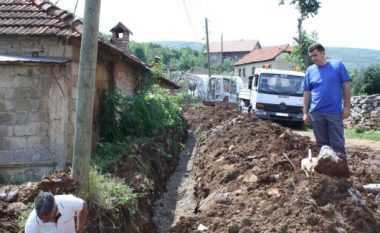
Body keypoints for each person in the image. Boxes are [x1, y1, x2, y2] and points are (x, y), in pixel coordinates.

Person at [303, 42, 352, 158]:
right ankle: (325, 172)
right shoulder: (310, 70)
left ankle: (340, 169)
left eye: (315, 55)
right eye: (311, 56)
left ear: (323, 53)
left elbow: (346, 87)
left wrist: (347, 107)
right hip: (316, 113)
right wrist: (305, 112)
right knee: (322, 145)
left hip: (334, 112)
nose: (313, 58)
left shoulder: (337, 66)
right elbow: (306, 92)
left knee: (337, 144)